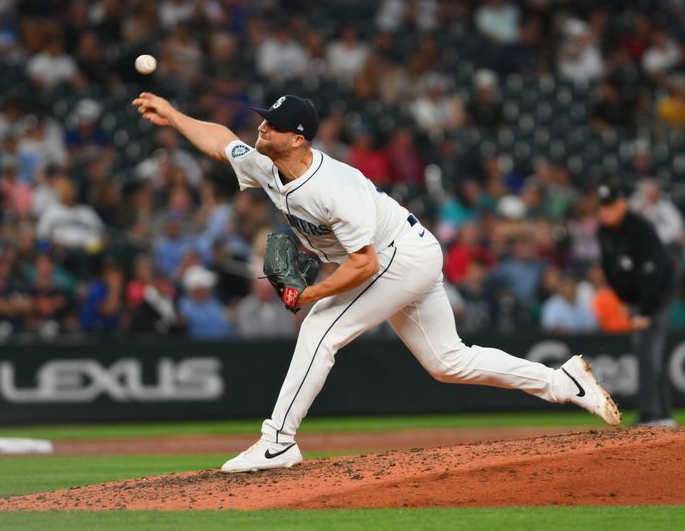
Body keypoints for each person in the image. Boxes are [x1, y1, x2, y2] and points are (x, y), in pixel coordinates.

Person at [132, 91, 621, 474]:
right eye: (264, 119)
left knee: (319, 330)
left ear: (298, 138)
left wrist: (310, 295)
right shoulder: (267, 165)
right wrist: (173, 114)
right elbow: (220, 140)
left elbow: (364, 265)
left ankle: (277, 441)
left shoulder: (331, 189)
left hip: (397, 257)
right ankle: (563, 382)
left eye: (273, 124)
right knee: (448, 361)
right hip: (408, 253)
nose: (262, 127)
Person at [596, 181, 678, 427]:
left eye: (610, 205)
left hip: (659, 292)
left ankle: (652, 416)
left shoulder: (640, 228)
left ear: (622, 204)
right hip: (637, 297)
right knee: (649, 352)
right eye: (603, 206)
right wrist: (624, 301)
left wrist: (643, 311)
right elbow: (610, 271)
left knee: (646, 349)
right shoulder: (604, 231)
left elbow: (651, 273)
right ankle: (663, 416)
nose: (606, 211)